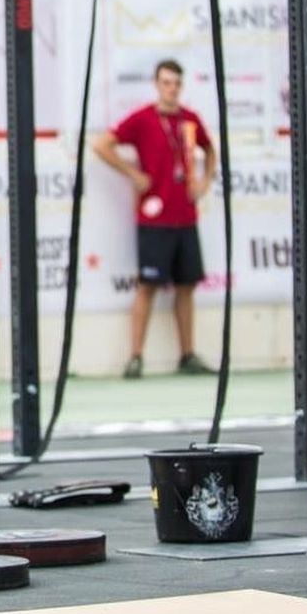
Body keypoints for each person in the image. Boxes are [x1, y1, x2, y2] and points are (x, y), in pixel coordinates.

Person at [92, 60, 218, 380]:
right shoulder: (144, 119)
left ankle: (187, 354)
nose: (171, 88)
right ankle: (135, 356)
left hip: (185, 216)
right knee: (146, 286)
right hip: (154, 218)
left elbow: (210, 149)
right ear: (157, 84)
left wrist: (204, 181)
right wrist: (133, 174)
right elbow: (101, 144)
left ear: (182, 86)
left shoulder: (190, 121)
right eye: (166, 82)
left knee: (186, 287)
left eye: (176, 83)